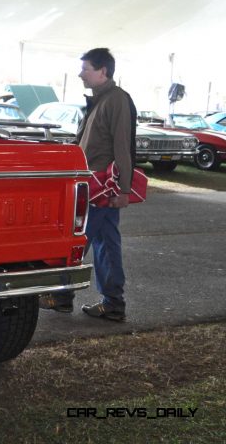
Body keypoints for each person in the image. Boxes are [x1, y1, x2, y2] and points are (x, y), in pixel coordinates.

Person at [40, 48, 135, 322]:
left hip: (100, 188)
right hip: (94, 186)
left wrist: (124, 190)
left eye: (86, 68)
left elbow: (122, 146)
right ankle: (112, 303)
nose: (80, 73)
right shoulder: (101, 100)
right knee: (106, 244)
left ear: (103, 71)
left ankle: (62, 296)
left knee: (77, 242)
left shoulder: (116, 100)